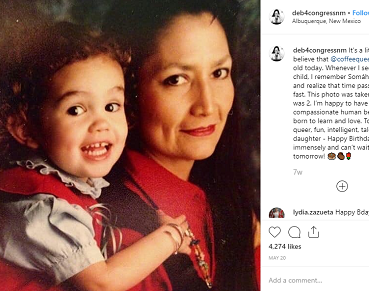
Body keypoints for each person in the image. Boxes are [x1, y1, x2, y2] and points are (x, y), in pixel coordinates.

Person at [0, 22, 192, 291]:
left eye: (111, 106)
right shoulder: (37, 207)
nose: (101, 124)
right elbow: (100, 284)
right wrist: (171, 236)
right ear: (26, 129)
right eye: (76, 110)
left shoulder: (67, 188)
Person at [102, 0, 260, 290]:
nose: (208, 105)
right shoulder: (113, 232)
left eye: (219, 73)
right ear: (128, 94)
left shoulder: (229, 207)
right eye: (177, 79)